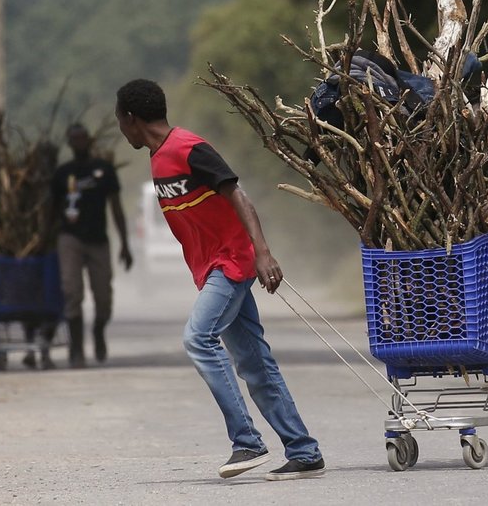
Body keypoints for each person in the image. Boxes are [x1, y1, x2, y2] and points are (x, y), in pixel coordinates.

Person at [114, 78, 325, 481]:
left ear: (130, 118)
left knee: (198, 338)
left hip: (230, 264)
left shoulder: (187, 148)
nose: (121, 130)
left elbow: (238, 195)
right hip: (213, 266)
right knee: (254, 363)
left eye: (119, 121)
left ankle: (246, 441)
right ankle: (303, 449)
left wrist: (262, 252)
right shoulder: (158, 156)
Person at [51, 123, 133, 368]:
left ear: (89, 140)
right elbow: (51, 211)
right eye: (74, 139)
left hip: (98, 239)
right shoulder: (63, 173)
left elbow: (116, 207)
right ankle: (76, 349)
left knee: (104, 296)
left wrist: (125, 244)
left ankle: (98, 331)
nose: (79, 142)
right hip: (70, 238)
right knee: (72, 291)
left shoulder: (103, 170)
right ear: (69, 143)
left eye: (82, 138)